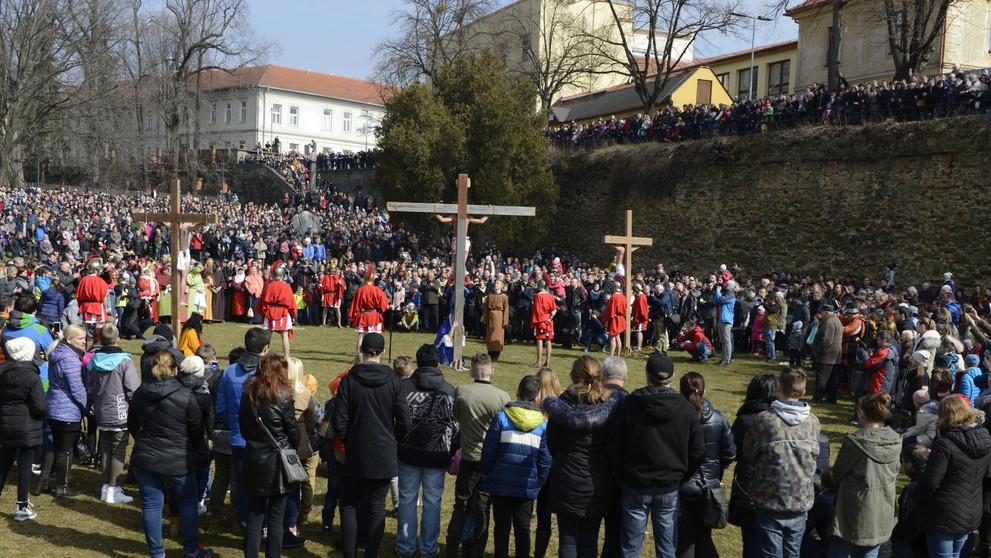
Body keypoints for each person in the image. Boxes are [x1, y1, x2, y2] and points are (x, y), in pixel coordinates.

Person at [607, 353, 705, 558]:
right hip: (652, 484)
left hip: (649, 484)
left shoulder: (630, 405)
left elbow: (614, 445)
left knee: (634, 548)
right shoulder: (684, 410)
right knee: (665, 548)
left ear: (647, 376)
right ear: (672, 377)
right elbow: (697, 451)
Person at [330, 332, 411, 558]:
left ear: (362, 351)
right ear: (382, 353)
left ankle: (350, 553)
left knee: (349, 504)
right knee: (376, 506)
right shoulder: (393, 381)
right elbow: (405, 420)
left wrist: (349, 439)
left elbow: (338, 419)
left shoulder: (350, 380)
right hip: (382, 450)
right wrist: (392, 438)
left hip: (358, 449)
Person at [128, 350, 214, 558]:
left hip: (147, 458)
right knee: (187, 504)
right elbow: (196, 430)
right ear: (175, 369)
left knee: (152, 506)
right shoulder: (185, 396)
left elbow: (132, 425)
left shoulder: (140, 393)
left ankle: (157, 553)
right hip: (177, 460)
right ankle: (191, 549)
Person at [542, 355, 624, 558]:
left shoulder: (562, 404)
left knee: (568, 540)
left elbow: (552, 442)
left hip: (566, 478)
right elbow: (613, 445)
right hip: (597, 480)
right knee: (589, 540)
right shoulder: (610, 405)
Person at [743, 368, 821, 558]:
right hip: (799, 498)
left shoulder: (765, 420)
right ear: (803, 392)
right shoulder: (813, 422)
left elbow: (748, 453)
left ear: (778, 387)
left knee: (771, 553)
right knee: (793, 552)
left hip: (770, 497)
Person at [445, 353, 511, 558]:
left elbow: (456, 416)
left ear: (472, 371)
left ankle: (451, 549)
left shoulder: (462, 391)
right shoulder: (503, 397)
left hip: (468, 457)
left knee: (460, 506)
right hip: (489, 462)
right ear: (492, 371)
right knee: (483, 509)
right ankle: (477, 551)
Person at [396, 344, 459, 558]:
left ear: (418, 363)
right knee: (433, 501)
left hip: (407, 451)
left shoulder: (402, 387)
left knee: (407, 499)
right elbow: (456, 426)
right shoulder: (449, 391)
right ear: (438, 363)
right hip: (438, 452)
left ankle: (405, 547)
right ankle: (428, 548)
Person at [480, 375, 552, 558]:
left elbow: (489, 450)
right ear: (537, 398)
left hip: (500, 482)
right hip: (527, 484)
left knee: (501, 528)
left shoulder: (501, 418)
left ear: (517, 393)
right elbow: (545, 459)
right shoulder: (542, 425)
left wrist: (487, 473)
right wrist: (539, 481)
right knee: (523, 527)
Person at [913, 395, 991, 558]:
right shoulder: (984, 437)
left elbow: (931, 481)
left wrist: (916, 496)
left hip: (944, 513)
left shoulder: (945, 443)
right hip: (970, 509)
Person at [239, 353, 301, 558]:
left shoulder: (248, 391)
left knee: (255, 516)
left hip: (255, 458)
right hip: (277, 461)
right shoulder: (282, 395)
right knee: (276, 519)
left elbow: (243, 427)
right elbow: (293, 431)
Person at [827, 392, 901, 558]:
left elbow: (837, 473)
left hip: (854, 507)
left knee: (840, 550)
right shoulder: (896, 440)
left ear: (861, 413)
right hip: (882, 506)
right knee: (870, 552)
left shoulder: (855, 442)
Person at [215, 328, 271, 531]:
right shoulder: (269, 372)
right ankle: (261, 523)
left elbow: (220, 408)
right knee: (264, 482)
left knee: (241, 481)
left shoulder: (229, 372)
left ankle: (244, 521)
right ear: (265, 348)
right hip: (265, 438)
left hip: (239, 436)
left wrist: (235, 421)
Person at [677, 372, 735, 558]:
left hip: (682, 487)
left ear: (680, 391)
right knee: (703, 538)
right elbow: (730, 453)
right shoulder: (718, 418)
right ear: (704, 391)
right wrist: (715, 471)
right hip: (707, 487)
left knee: (685, 540)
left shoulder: (676, 418)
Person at [87, 324, 140, 504]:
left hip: (102, 412)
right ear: (118, 339)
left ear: (100, 340)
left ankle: (106, 487)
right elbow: (133, 389)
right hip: (120, 412)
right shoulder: (125, 361)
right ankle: (113, 488)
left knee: (107, 449)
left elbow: (89, 386)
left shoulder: (93, 361)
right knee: (118, 450)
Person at [728, 373, 778, 558]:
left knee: (751, 538)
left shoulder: (745, 420)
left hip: (748, 487)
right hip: (774, 485)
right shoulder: (780, 420)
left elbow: (732, 452)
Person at [0, 337, 47, 521]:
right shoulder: (32, 376)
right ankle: (21, 505)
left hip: (5, 423)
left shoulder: (2, 374)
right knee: (25, 466)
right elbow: (40, 405)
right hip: (28, 425)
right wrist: (39, 415)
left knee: (4, 463)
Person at [44, 324, 89, 498]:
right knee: (66, 450)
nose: (84, 342)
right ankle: (62, 486)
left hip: (55, 406)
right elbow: (76, 387)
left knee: (56, 446)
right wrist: (85, 406)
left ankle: (44, 483)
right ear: (69, 339)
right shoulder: (70, 359)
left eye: (84, 338)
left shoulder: (59, 353)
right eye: (80, 339)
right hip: (67, 410)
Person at [284, 357, 316, 547]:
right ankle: (291, 524)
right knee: (295, 487)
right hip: (300, 445)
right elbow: (312, 419)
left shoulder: (276, 392)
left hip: (282, 444)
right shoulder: (305, 394)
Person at [533, 367, 563, 558]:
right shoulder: (562, 407)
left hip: (537, 468)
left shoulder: (534, 410)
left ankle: (538, 553)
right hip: (558, 469)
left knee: (542, 516)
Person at [347, 264, 389, 360]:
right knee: (375, 337)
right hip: (374, 315)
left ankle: (358, 357)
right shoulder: (377, 290)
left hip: (363, 315)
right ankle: (376, 356)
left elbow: (355, 304)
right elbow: (384, 304)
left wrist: (354, 314)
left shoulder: (360, 290)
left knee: (361, 336)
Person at [257, 261, 296, 358]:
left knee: (267, 337)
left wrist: (264, 311)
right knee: (284, 336)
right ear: (282, 275)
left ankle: (264, 355)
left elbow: (264, 300)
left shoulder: (269, 285)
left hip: (271, 311)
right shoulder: (287, 287)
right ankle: (286, 357)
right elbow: (291, 302)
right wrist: (293, 314)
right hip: (283, 312)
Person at [811, 302, 844, 404]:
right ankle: (831, 398)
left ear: (825, 312)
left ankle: (817, 398)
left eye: (821, 312)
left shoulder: (829, 322)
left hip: (827, 355)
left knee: (821, 377)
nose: (820, 314)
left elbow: (826, 341)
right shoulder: (836, 320)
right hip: (834, 356)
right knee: (831, 379)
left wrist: (817, 352)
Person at [531, 280, 557, 367]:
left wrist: (541, 319)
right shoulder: (550, 296)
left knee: (539, 340)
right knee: (548, 340)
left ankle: (539, 362)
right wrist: (550, 318)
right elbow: (554, 309)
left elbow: (537, 310)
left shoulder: (538, 296)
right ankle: (547, 362)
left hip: (541, 320)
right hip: (549, 320)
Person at [483, 279, 510, 362]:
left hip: (499, 317)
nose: (496, 284)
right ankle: (490, 352)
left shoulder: (504, 296)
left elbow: (506, 309)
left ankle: (496, 354)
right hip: (491, 316)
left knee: (498, 335)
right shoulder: (490, 295)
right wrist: (485, 318)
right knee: (490, 336)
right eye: (495, 283)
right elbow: (486, 308)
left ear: (501, 286)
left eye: (498, 283)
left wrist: (505, 321)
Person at [713, 280, 736, 366]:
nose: (725, 286)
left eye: (726, 285)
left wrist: (718, 291)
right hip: (721, 319)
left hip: (727, 320)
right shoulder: (726, 295)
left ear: (730, 286)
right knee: (723, 341)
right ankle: (724, 358)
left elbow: (720, 300)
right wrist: (717, 292)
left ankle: (727, 359)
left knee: (727, 341)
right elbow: (716, 301)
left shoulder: (731, 295)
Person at [603, 282, 627, 357]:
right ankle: (618, 354)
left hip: (614, 318)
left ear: (615, 287)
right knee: (617, 336)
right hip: (620, 318)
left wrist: (606, 320)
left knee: (612, 337)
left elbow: (611, 309)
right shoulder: (623, 297)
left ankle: (611, 355)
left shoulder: (614, 297)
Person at [631, 282, 649, 353]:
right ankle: (638, 346)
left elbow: (641, 308)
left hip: (639, 318)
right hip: (637, 316)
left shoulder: (641, 297)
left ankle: (639, 347)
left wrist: (636, 317)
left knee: (639, 331)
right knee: (637, 331)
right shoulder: (639, 296)